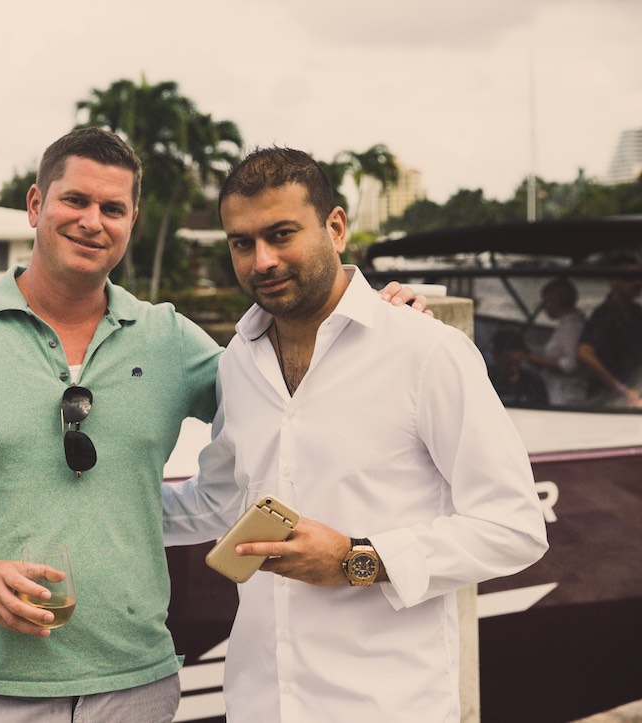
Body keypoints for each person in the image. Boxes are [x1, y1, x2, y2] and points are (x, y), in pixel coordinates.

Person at [0, 128, 425, 722]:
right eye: (75, 200)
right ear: (35, 204)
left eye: (112, 209)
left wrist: (373, 319)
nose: (92, 221)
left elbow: (294, 401)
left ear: (131, 224)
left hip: (137, 688)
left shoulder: (169, 339)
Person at [162, 147, 549, 721]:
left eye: (281, 234)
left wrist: (357, 558)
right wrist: (92, 509)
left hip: (387, 705)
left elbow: (514, 527)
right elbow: (218, 502)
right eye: (242, 243)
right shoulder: (237, 362)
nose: (262, 260)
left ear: (336, 227)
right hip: (261, 703)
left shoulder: (425, 351)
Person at [577, 254, 642, 407]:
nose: (638, 282)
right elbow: (584, 353)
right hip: (607, 398)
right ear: (613, 281)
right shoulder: (603, 315)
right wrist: (620, 388)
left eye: (640, 277)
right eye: (629, 278)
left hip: (635, 391)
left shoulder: (638, 312)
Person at [527, 277, 587, 406]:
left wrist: (536, 359)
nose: (544, 307)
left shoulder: (572, 327)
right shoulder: (566, 324)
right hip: (556, 392)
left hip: (566, 396)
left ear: (556, 301)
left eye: (545, 302)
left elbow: (572, 364)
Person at [489, 328, 549, 406]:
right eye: (508, 362)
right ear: (495, 355)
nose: (512, 367)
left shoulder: (533, 382)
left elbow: (542, 408)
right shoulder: (487, 380)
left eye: (516, 362)